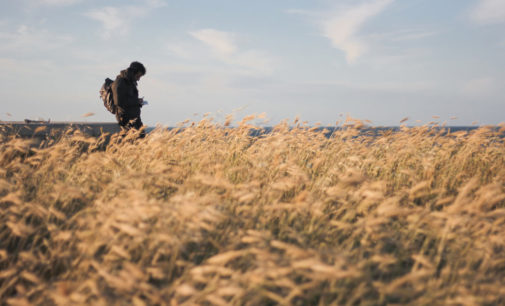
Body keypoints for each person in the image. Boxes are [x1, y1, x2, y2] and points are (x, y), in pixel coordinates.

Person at [111, 61, 146, 137]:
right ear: (133, 72)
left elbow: (130, 99)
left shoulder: (131, 82)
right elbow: (119, 102)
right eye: (138, 76)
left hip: (135, 119)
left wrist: (138, 102)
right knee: (134, 143)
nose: (139, 79)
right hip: (126, 119)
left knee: (143, 140)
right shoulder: (120, 82)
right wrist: (137, 101)